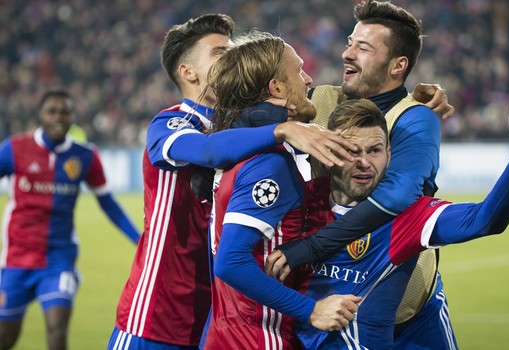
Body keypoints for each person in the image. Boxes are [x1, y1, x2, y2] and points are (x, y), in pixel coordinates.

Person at [107, 14, 366, 350]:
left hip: (218, 311)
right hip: (158, 314)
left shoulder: (245, 130)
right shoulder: (172, 123)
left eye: (233, 49)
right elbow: (209, 150)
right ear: (188, 72)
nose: (232, 57)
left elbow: (308, 99)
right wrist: (281, 129)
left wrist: (414, 103)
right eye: (219, 53)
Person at [267, 1, 459, 348]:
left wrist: (309, 248)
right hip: (336, 311)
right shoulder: (321, 102)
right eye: (349, 42)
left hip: (412, 316)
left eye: (363, 47)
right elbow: (253, 109)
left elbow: (398, 196)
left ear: (398, 65)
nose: (347, 54)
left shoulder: (414, 118)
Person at [288, 98, 509, 349]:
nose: (365, 162)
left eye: (374, 150)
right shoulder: (302, 199)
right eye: (352, 151)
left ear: (389, 154)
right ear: (331, 152)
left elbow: (483, 220)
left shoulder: (404, 215)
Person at [204, 31, 364, 350]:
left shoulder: (245, 150)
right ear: (276, 88)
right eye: (298, 70)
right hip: (255, 338)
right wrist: (312, 311)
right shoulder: (268, 164)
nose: (308, 79)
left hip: (233, 333)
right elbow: (231, 262)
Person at [0, 90, 141, 350]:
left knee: (57, 330)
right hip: (16, 259)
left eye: (65, 112)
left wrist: (139, 240)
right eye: (51, 111)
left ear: (73, 116)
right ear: (40, 115)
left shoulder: (84, 156)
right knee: (6, 337)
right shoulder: (15, 149)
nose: (58, 117)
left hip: (59, 259)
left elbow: (108, 203)